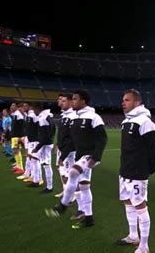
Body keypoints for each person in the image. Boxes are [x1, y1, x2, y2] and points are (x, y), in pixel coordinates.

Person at [45, 90, 108, 230]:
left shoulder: (94, 117)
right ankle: (89, 218)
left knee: (73, 172)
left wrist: (96, 157)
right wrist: (62, 156)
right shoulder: (75, 119)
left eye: (74, 99)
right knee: (84, 187)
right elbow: (73, 141)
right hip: (80, 156)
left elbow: (102, 138)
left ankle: (63, 205)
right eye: (72, 99)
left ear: (83, 101)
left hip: (90, 156)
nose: (72, 101)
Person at [115, 89, 155, 253]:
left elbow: (153, 149)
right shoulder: (126, 122)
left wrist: (148, 170)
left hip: (137, 173)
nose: (123, 103)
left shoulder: (144, 121)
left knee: (140, 206)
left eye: (127, 100)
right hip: (125, 171)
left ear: (136, 103)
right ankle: (133, 236)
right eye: (123, 100)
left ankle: (144, 246)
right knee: (128, 203)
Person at [10, 103, 26, 175]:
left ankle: (21, 168)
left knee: (17, 151)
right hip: (14, 136)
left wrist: (19, 137)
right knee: (15, 151)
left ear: (16, 107)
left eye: (13, 106)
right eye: (11, 106)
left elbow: (21, 127)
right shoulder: (14, 115)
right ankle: (18, 166)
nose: (11, 107)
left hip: (17, 136)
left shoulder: (18, 115)